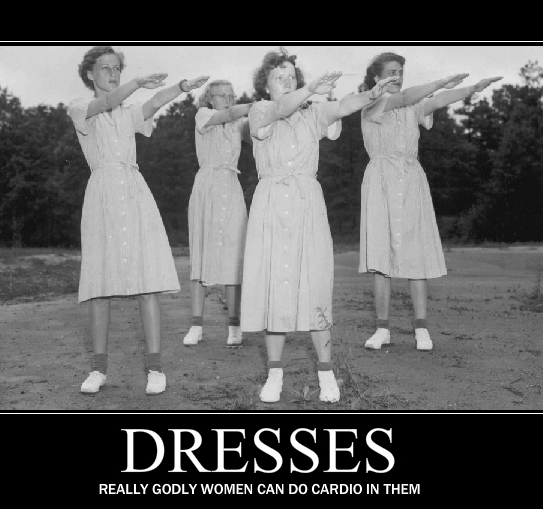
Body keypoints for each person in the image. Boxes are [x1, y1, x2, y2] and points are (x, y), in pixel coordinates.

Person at [242, 48, 398, 404]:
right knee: (274, 288)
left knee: (315, 285)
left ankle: (326, 374)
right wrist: (310, 88)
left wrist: (371, 94)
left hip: (307, 205)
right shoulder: (259, 110)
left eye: (291, 76)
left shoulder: (312, 113)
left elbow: (342, 106)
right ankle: (275, 374)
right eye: (278, 77)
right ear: (265, 85)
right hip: (270, 205)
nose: (287, 82)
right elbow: (283, 107)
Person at [67, 46, 208, 396]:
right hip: (101, 196)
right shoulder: (80, 106)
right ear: (90, 74)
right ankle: (98, 369)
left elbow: (154, 102)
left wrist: (181, 87)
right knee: (100, 287)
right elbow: (107, 101)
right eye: (105, 68)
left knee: (147, 283)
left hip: (134, 192)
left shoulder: (129, 111)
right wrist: (137, 82)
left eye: (117, 67)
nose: (113, 73)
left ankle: (155, 368)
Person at [358, 52, 501, 351]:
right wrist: (440, 81)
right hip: (380, 181)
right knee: (380, 260)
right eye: (391, 72)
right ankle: (382, 329)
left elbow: (437, 101)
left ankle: (421, 329)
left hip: (411, 180)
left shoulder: (412, 107)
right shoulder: (371, 104)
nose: (397, 77)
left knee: (417, 255)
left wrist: (472, 89)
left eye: (400, 72)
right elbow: (406, 96)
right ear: (376, 77)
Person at [183, 80, 253, 349]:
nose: (226, 99)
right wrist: (255, 105)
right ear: (209, 98)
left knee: (234, 258)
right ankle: (196, 326)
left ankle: (234, 326)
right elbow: (230, 113)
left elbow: (258, 132)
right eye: (220, 95)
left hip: (231, 188)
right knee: (201, 255)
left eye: (230, 95)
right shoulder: (203, 115)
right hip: (206, 189)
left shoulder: (240, 123)